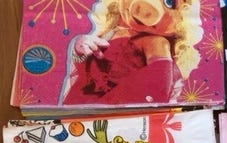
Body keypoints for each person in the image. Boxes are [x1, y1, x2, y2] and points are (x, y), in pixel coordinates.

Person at [62, 0, 203, 105]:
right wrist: (79, 48)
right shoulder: (110, 33)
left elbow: (157, 90)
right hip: (78, 110)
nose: (146, 9)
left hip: (104, 116)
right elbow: (83, 73)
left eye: (169, 2)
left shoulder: (156, 43)